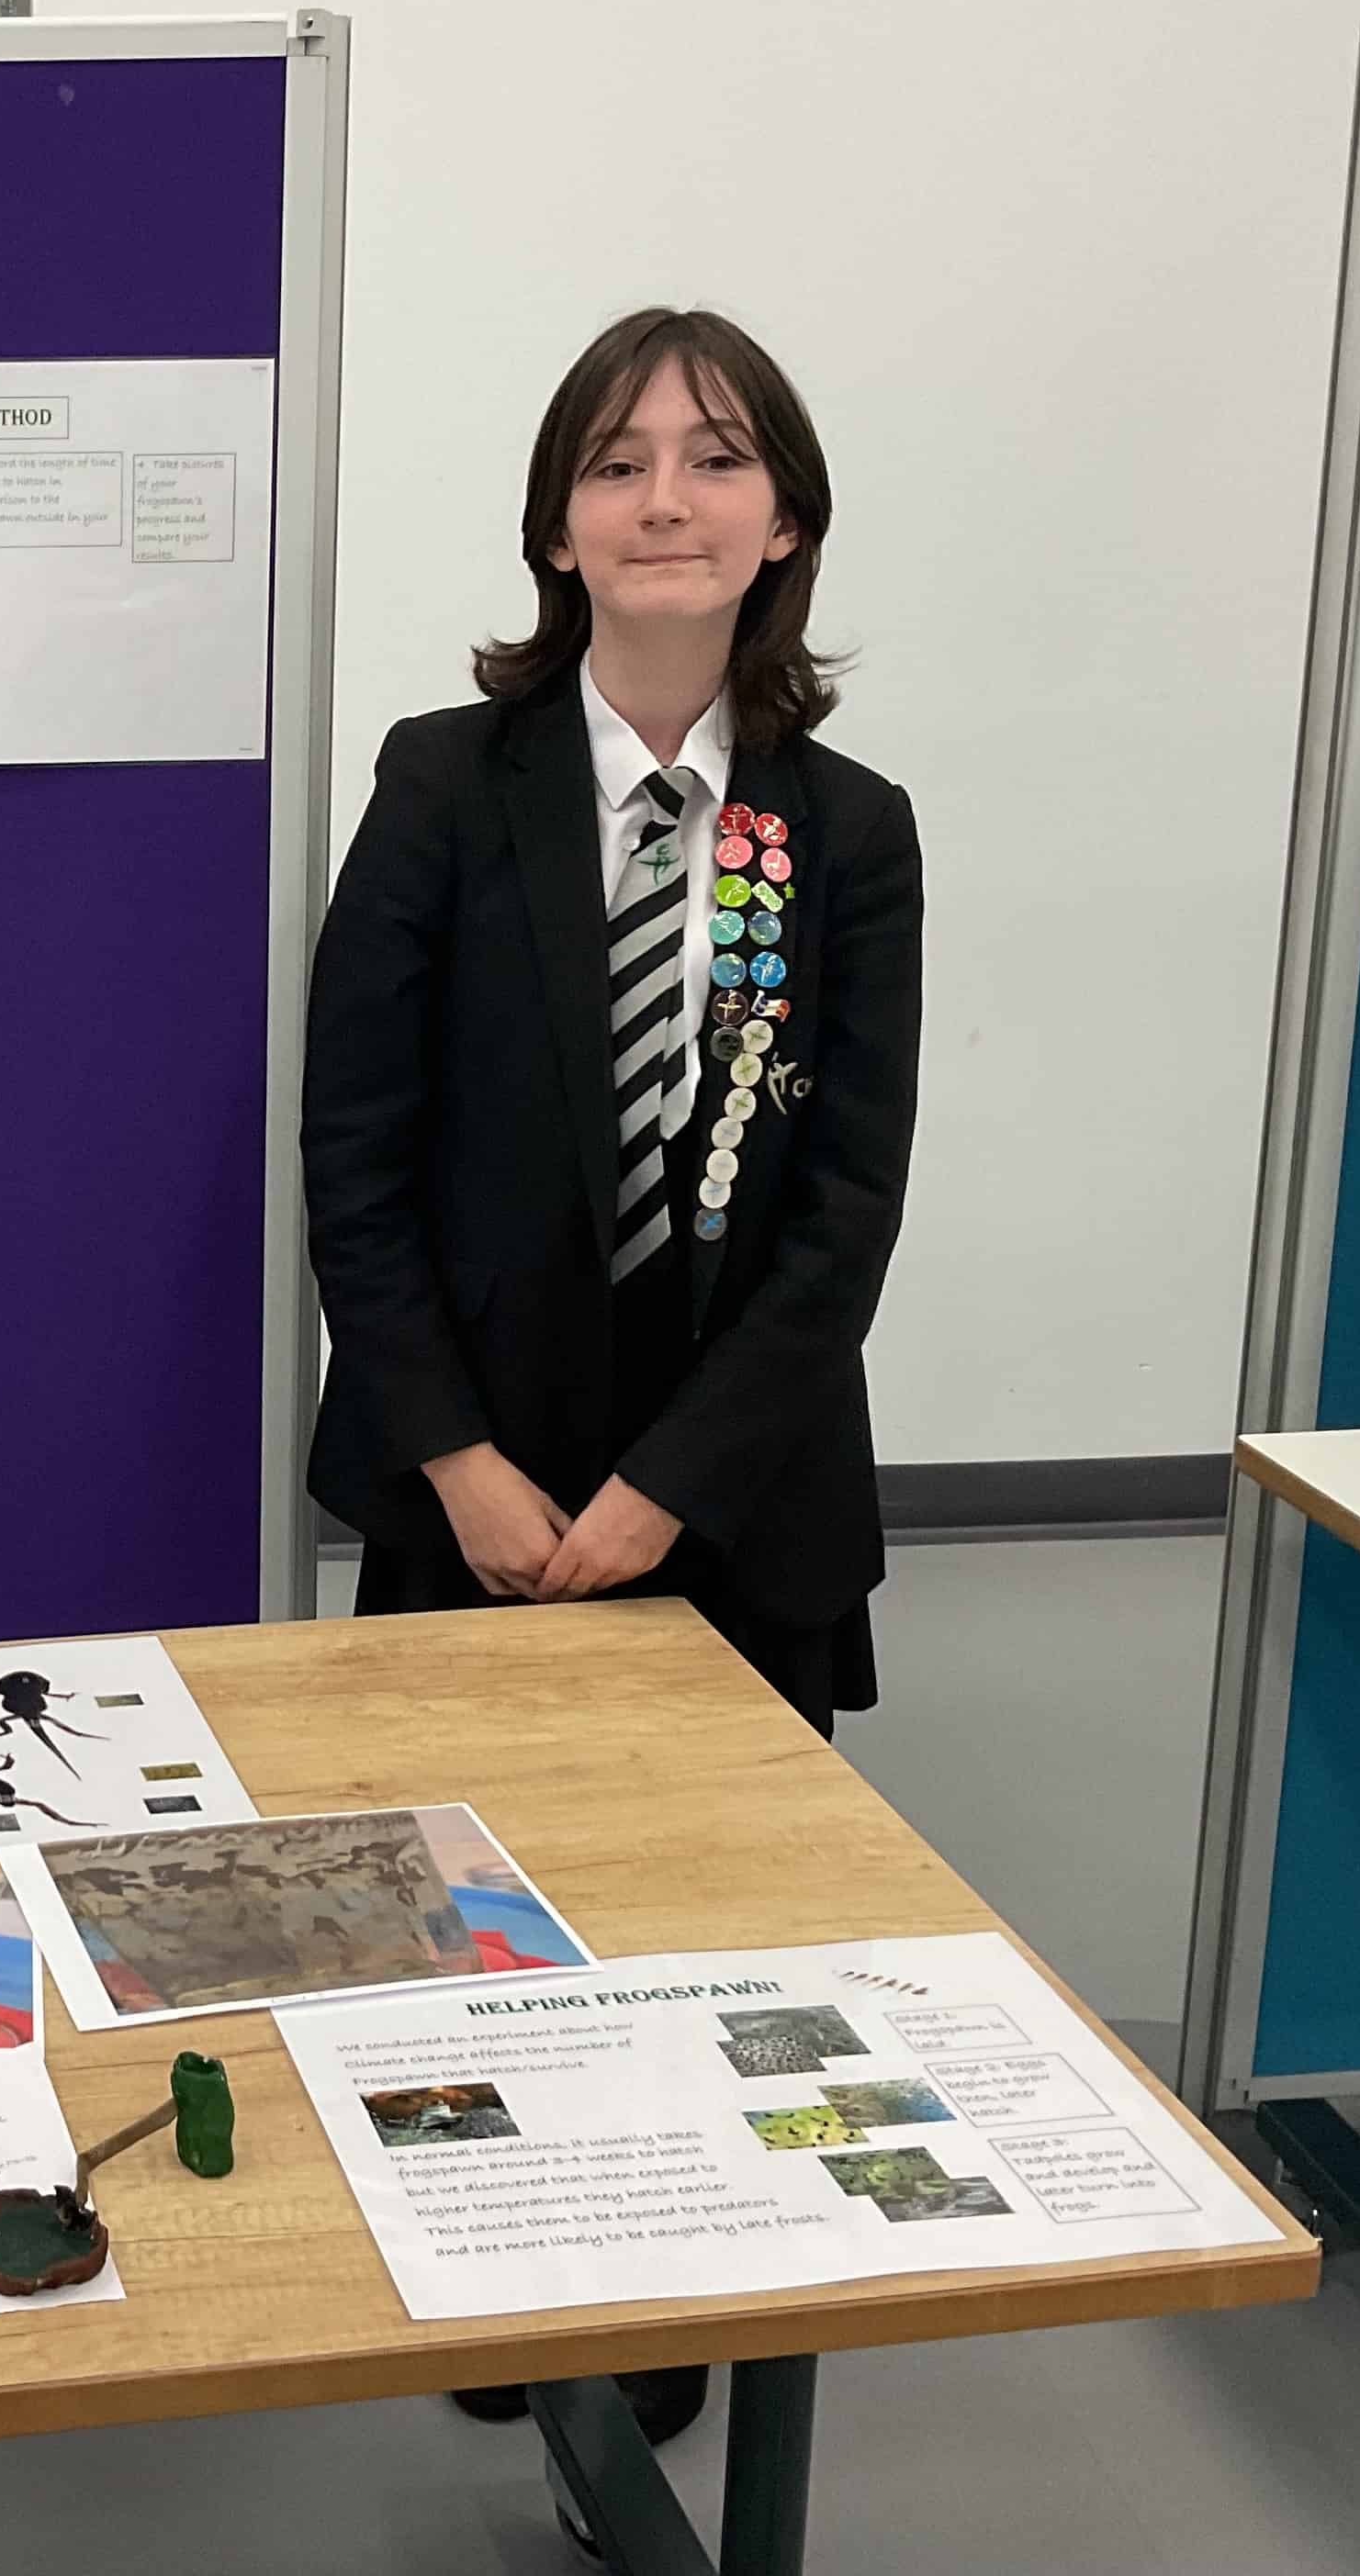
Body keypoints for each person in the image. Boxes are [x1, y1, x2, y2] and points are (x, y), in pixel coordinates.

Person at [299, 307, 922, 2443]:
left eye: (719, 459)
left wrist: (669, 1486)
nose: (668, 497)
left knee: (693, 1935)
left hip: (725, 1497)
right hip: (470, 1484)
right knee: (459, 1927)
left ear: (786, 525)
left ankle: (666, 2285)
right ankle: (490, 2263)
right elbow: (352, 1161)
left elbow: (843, 1208)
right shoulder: (443, 787)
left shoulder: (838, 835)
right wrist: (458, 1459)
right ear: (559, 527)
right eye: (620, 461)